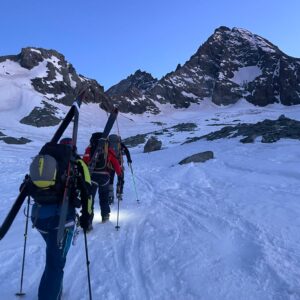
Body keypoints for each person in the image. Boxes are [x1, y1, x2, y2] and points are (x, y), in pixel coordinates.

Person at [27, 137, 93, 300]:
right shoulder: (78, 163)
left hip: (38, 217)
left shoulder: (46, 160)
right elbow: (87, 192)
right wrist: (87, 216)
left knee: (54, 258)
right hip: (61, 220)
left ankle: (56, 289)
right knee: (55, 264)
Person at [83, 132, 123, 224]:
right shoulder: (107, 149)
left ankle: (88, 220)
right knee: (104, 197)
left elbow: (84, 162)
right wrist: (119, 174)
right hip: (104, 177)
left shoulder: (89, 149)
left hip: (91, 177)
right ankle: (105, 216)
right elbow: (115, 163)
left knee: (90, 198)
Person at [108, 134, 132, 204]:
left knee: (110, 180)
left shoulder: (108, 144)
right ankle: (119, 193)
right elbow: (127, 151)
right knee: (120, 178)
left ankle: (110, 196)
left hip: (110, 164)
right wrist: (129, 159)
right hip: (119, 164)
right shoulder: (120, 144)